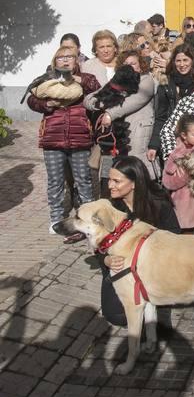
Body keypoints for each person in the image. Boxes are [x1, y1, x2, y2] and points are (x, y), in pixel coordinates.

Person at [27, 45, 99, 241]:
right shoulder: (46, 80)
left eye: (70, 57)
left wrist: (76, 78)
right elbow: (31, 101)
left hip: (80, 138)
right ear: (54, 62)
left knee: (83, 180)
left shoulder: (84, 78)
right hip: (53, 138)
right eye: (61, 58)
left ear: (76, 61)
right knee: (55, 181)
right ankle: (56, 218)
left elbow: (96, 88)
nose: (65, 60)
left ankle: (88, 220)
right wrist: (46, 105)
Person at [99, 156, 180, 327]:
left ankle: (160, 305)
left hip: (155, 267)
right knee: (116, 316)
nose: (110, 185)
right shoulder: (110, 206)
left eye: (116, 181)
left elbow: (174, 237)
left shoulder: (158, 204)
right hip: (122, 267)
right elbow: (99, 242)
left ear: (134, 183)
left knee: (158, 326)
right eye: (110, 179)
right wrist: (105, 260)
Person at [85, 49, 156, 181]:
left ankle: (142, 196)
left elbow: (134, 101)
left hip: (136, 128)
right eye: (125, 64)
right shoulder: (118, 80)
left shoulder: (146, 80)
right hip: (114, 135)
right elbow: (90, 99)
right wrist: (98, 104)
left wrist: (110, 113)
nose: (129, 66)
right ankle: (110, 196)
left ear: (140, 64)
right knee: (111, 171)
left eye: (133, 63)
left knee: (135, 168)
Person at [148, 45, 194, 162]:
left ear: (193, 61)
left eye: (185, 60)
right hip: (172, 140)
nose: (182, 64)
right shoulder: (166, 83)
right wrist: (154, 145)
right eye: (178, 61)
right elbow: (161, 117)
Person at [162, 114, 194, 232]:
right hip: (185, 205)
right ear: (184, 135)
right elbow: (167, 181)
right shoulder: (176, 154)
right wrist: (186, 174)